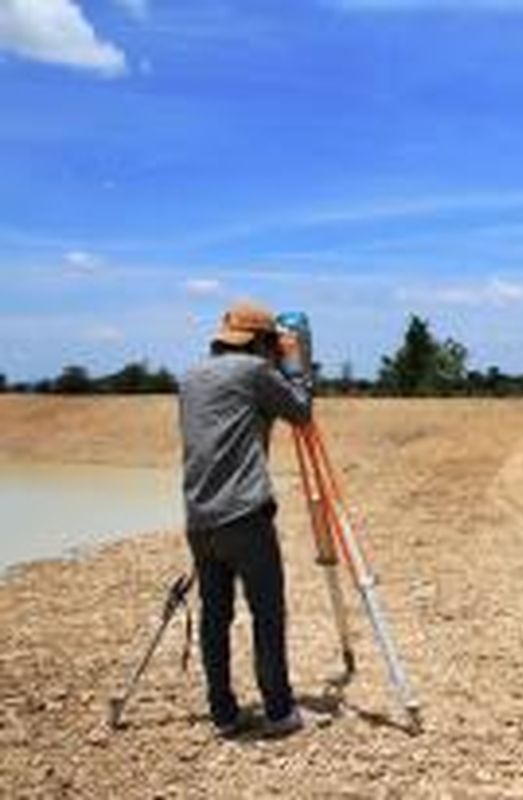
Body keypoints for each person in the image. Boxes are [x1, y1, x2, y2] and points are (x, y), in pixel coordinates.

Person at [178, 299, 312, 738]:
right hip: (245, 514)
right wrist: (295, 363)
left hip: (200, 518)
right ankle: (278, 711)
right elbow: (300, 410)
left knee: (215, 617)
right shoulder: (255, 372)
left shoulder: (191, 375)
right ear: (260, 341)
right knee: (266, 613)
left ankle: (224, 714)